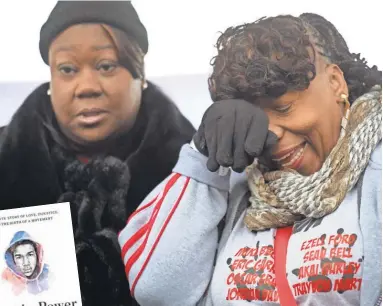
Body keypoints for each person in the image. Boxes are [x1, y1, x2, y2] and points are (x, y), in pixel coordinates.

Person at [118, 13, 382, 306]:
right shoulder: (235, 183)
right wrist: (205, 157)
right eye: (254, 119)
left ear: (335, 83)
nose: (269, 135)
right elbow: (158, 291)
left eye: (283, 108)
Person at [0, 1, 195, 305]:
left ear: (139, 73)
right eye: (67, 69)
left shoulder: (200, 173)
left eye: (106, 65)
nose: (86, 86)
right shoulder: (5, 164)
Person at [2, 231, 50, 295]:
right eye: (19, 257)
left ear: (38, 254)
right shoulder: (6, 279)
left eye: (30, 255)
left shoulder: (48, 274)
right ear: (12, 259)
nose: (26, 263)